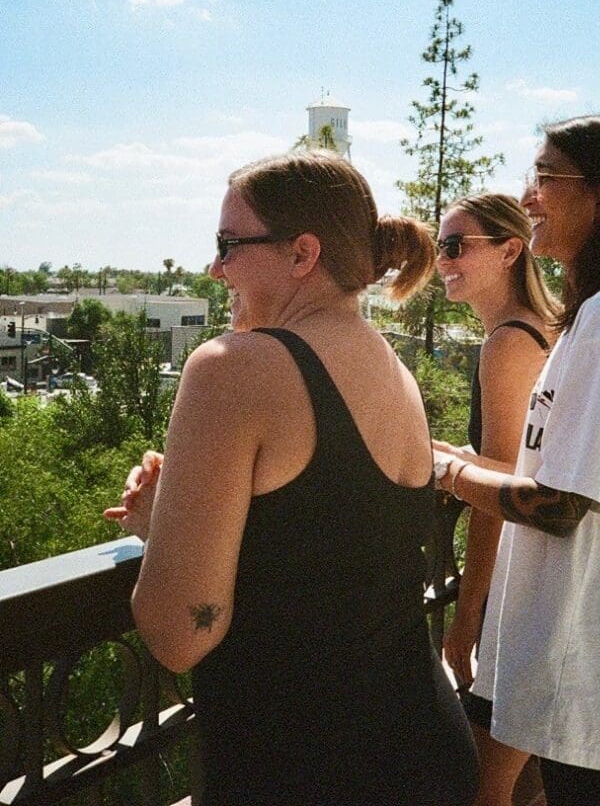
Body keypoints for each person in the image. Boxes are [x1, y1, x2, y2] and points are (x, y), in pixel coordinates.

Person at [105, 150, 479, 806]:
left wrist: (163, 526)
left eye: (229, 245)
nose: (215, 267)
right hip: (426, 750)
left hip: (308, 770)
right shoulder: (391, 370)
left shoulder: (230, 368)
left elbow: (178, 634)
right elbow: (324, 544)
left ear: (302, 254)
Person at [434, 116, 600, 806]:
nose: (528, 195)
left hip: (588, 662)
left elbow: (559, 507)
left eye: (547, 177)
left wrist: (450, 474)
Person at [436, 193, 559, 806]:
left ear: (510, 250)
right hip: (552, 582)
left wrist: (467, 616)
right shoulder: (549, 329)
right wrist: (462, 457)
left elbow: (504, 494)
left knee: (484, 785)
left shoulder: (507, 344)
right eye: (440, 247)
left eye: (456, 246)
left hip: (522, 592)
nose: (442, 260)